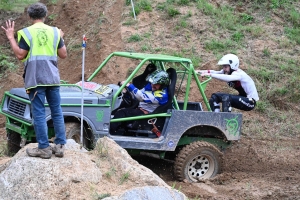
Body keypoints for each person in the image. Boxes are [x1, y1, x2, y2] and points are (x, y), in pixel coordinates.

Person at [1, 3, 67, 159]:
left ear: (29, 16)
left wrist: (11, 37)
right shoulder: (55, 32)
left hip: (36, 80)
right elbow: (63, 54)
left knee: (38, 113)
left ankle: (43, 148)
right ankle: (60, 146)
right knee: (57, 111)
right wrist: (60, 38)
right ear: (45, 16)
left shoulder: (26, 33)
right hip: (53, 79)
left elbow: (20, 55)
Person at [110, 70, 170, 134]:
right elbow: (140, 92)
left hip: (147, 115)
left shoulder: (161, 95)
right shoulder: (153, 86)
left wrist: (129, 85)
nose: (153, 85)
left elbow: (141, 97)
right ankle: (119, 130)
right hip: (141, 108)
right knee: (121, 108)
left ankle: (110, 133)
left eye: (156, 84)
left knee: (121, 113)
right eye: (152, 82)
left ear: (163, 85)